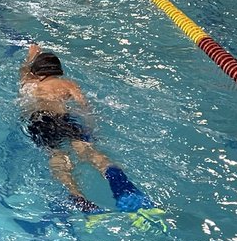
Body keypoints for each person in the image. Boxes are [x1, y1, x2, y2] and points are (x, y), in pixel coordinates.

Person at [19, 43, 157, 216]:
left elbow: (23, 70)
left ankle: (78, 197)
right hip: (65, 120)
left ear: (36, 73)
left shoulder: (30, 83)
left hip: (41, 120)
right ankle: (123, 186)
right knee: (88, 151)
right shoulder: (68, 84)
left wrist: (31, 55)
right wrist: (90, 130)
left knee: (57, 155)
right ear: (58, 71)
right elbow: (86, 108)